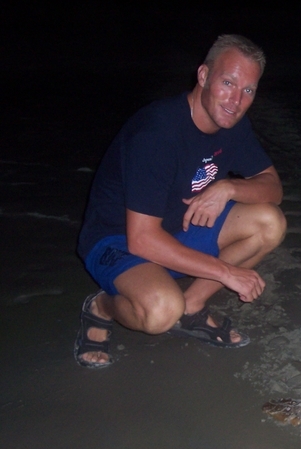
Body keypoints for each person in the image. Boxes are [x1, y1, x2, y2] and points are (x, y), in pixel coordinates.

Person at [74, 34, 287, 369]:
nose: (236, 100)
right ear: (203, 76)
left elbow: (273, 187)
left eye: (249, 90)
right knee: (159, 311)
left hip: (177, 227)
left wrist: (229, 188)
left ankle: (192, 306)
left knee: (269, 222)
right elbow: (142, 239)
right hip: (118, 239)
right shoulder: (157, 133)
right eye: (228, 82)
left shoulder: (233, 124)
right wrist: (226, 272)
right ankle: (102, 307)